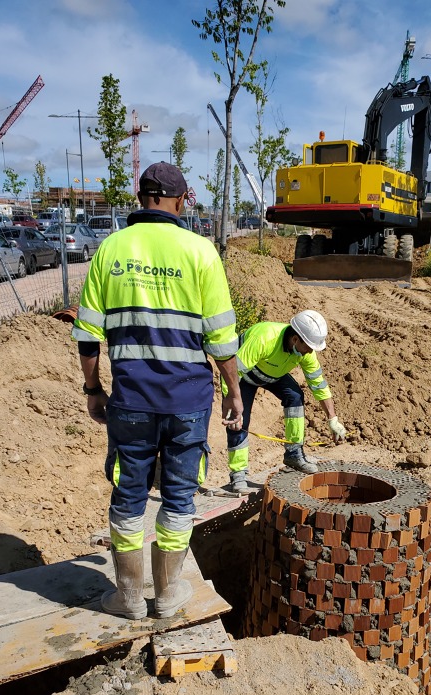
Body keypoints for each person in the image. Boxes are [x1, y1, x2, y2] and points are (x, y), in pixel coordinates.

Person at [72, 161, 243, 620]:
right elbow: (222, 339)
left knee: (128, 494)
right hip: (187, 401)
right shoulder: (200, 252)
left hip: (130, 402)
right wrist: (233, 391)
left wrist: (93, 388)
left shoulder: (110, 250)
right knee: (180, 496)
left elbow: (88, 335)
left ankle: (128, 598)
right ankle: (167, 596)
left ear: (140, 195)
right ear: (181, 200)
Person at [225, 310, 346, 493]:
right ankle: (238, 474)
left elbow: (318, 384)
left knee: (295, 396)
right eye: (309, 346)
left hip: (273, 375)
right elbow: (232, 372)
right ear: (295, 339)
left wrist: (332, 419)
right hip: (243, 376)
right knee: (239, 420)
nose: (311, 351)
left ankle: (294, 454)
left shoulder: (305, 353)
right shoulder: (264, 338)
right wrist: (230, 401)